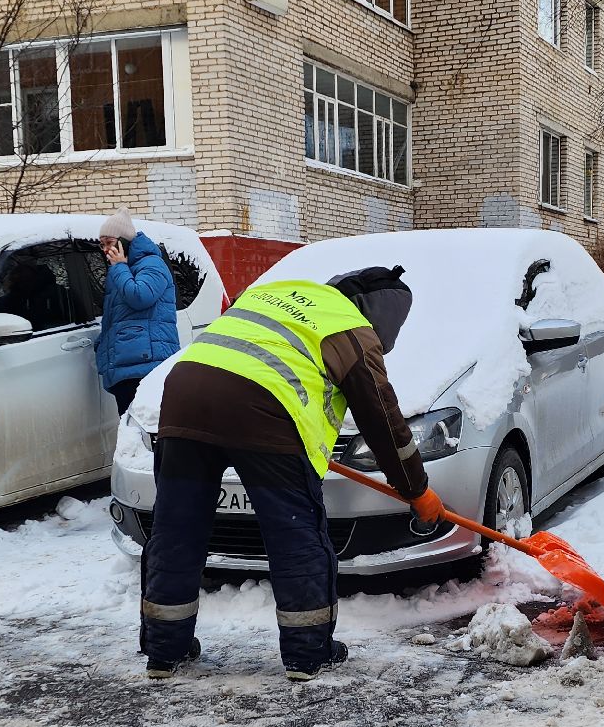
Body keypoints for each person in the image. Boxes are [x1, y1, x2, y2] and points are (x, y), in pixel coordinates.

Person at [138, 266, 446, 682]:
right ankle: (307, 652)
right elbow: (384, 424)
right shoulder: (350, 329)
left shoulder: (278, 295)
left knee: (176, 529)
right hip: (265, 415)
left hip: (184, 398)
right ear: (383, 317)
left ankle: (164, 649)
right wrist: (417, 489)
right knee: (295, 535)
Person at [94, 209, 178, 415]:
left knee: (144, 428)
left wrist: (120, 268)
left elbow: (140, 297)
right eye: (102, 244)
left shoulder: (152, 264)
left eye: (110, 242)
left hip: (146, 363)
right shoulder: (122, 269)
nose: (106, 249)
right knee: (130, 428)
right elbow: (116, 317)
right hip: (127, 362)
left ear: (125, 241)